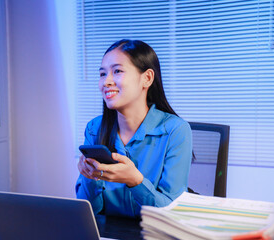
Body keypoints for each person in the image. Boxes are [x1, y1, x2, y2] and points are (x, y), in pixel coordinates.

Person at [75, 39, 192, 218]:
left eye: (117, 71)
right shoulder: (94, 128)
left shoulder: (176, 130)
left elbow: (172, 213)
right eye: (102, 74)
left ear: (147, 78)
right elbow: (89, 212)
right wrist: (90, 178)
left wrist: (135, 181)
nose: (106, 81)